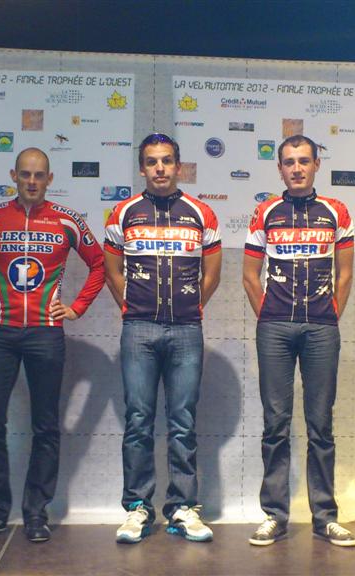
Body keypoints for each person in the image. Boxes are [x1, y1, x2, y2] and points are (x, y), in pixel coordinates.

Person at [0, 147, 105, 543]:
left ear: (49, 179)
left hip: (45, 334)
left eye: (39, 175)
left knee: (45, 426)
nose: (32, 181)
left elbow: (100, 263)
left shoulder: (67, 220)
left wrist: (77, 307)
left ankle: (37, 513)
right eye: (25, 174)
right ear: (13, 176)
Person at [103, 133, 221, 543]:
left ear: (178, 166)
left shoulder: (201, 213)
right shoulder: (123, 213)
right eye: (152, 161)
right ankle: (137, 508)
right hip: (138, 329)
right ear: (142, 168)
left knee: (182, 421)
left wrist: (189, 307)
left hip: (186, 330)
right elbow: (112, 271)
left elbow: (212, 274)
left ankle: (183, 508)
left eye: (167, 161)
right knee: (138, 420)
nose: (159, 168)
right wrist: (131, 306)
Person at [242, 134, 355, 547]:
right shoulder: (266, 212)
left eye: (303, 161)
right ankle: (274, 516)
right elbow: (249, 276)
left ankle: (325, 517)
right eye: (289, 162)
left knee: (320, 424)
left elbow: (345, 274)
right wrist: (270, 316)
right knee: (275, 424)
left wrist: (328, 316)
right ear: (279, 169)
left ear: (316, 165)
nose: (296, 168)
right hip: (275, 328)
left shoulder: (335, 211)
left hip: (320, 329)